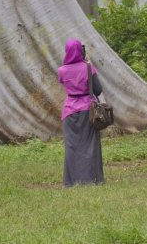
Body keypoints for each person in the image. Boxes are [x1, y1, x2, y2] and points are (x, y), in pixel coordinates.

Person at [57, 38, 104, 187]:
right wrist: (87, 64)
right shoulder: (88, 67)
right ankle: (92, 179)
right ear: (80, 51)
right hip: (87, 109)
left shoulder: (61, 70)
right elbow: (98, 89)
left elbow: (65, 83)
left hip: (69, 110)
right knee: (90, 144)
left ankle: (71, 182)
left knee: (72, 146)